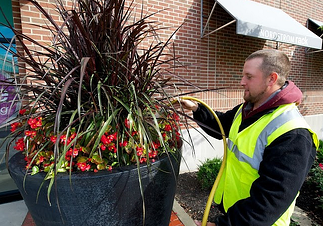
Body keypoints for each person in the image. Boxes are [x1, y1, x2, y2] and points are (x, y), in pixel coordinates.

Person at [179, 49, 318, 226]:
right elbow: (222, 125)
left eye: (249, 76)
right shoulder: (248, 109)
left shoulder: (293, 134)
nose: (242, 82)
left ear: (271, 79)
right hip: (235, 210)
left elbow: (269, 200)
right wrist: (197, 109)